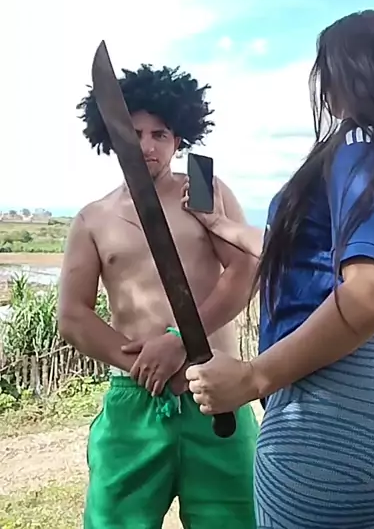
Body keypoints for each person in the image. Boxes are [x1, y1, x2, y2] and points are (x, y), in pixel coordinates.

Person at [184, 10, 374, 529]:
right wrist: (221, 225)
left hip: (335, 408)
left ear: (334, 74)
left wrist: (255, 377)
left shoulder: (357, 145)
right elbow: (300, 253)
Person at [58, 64, 259, 529]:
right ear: (112, 136)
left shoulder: (204, 188)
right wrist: (143, 364)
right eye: (134, 133)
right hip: (135, 400)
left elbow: (244, 272)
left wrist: (180, 342)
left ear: (178, 139)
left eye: (160, 134)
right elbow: (73, 316)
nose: (146, 145)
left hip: (215, 394)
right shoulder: (93, 218)